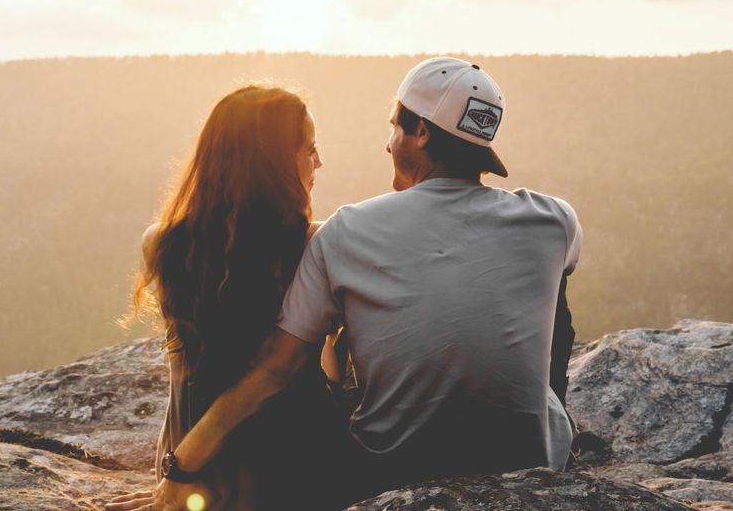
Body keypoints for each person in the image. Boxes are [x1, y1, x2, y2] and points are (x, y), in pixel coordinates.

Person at [114, 57, 582, 510]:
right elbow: (554, 305)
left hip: (374, 468)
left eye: (395, 126)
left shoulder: (343, 233)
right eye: (309, 149)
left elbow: (273, 370)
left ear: (420, 132)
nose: (386, 143)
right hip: (523, 464)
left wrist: (182, 466)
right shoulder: (556, 221)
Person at [109, 83, 343, 511]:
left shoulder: (160, 243)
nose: (319, 161)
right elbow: (280, 373)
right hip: (294, 464)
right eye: (309, 149)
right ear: (272, 165)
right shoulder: (316, 244)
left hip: (189, 458)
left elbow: (190, 371)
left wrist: (176, 468)